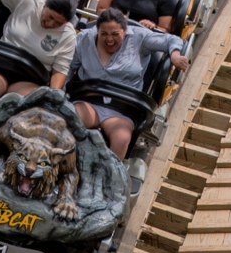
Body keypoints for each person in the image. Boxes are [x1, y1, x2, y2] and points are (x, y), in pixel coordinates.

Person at [68, 8, 188, 158]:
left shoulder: (139, 37)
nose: (109, 39)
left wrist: (175, 55)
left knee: (121, 138)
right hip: (90, 102)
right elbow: (67, 67)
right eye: (104, 34)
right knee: (68, 119)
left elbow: (173, 39)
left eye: (115, 34)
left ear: (124, 31)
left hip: (121, 109)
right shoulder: (84, 39)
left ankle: (110, 178)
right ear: (97, 31)